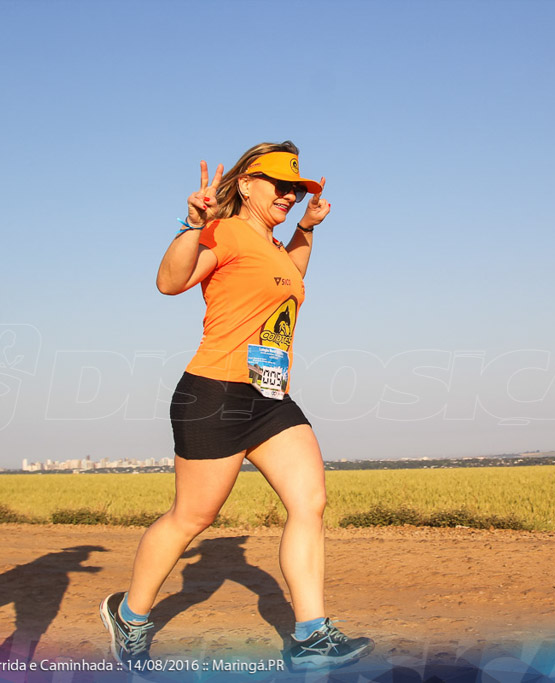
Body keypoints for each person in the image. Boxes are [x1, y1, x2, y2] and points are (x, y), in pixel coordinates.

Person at [100, 141, 373, 672]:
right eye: (281, 186)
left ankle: (310, 635)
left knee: (310, 501)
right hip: (215, 392)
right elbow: (170, 282)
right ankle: (130, 615)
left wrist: (307, 230)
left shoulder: (273, 244)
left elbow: (287, 279)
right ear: (247, 184)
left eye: (298, 188)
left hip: (270, 398)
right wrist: (190, 223)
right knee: (192, 517)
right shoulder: (222, 232)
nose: (291, 195)